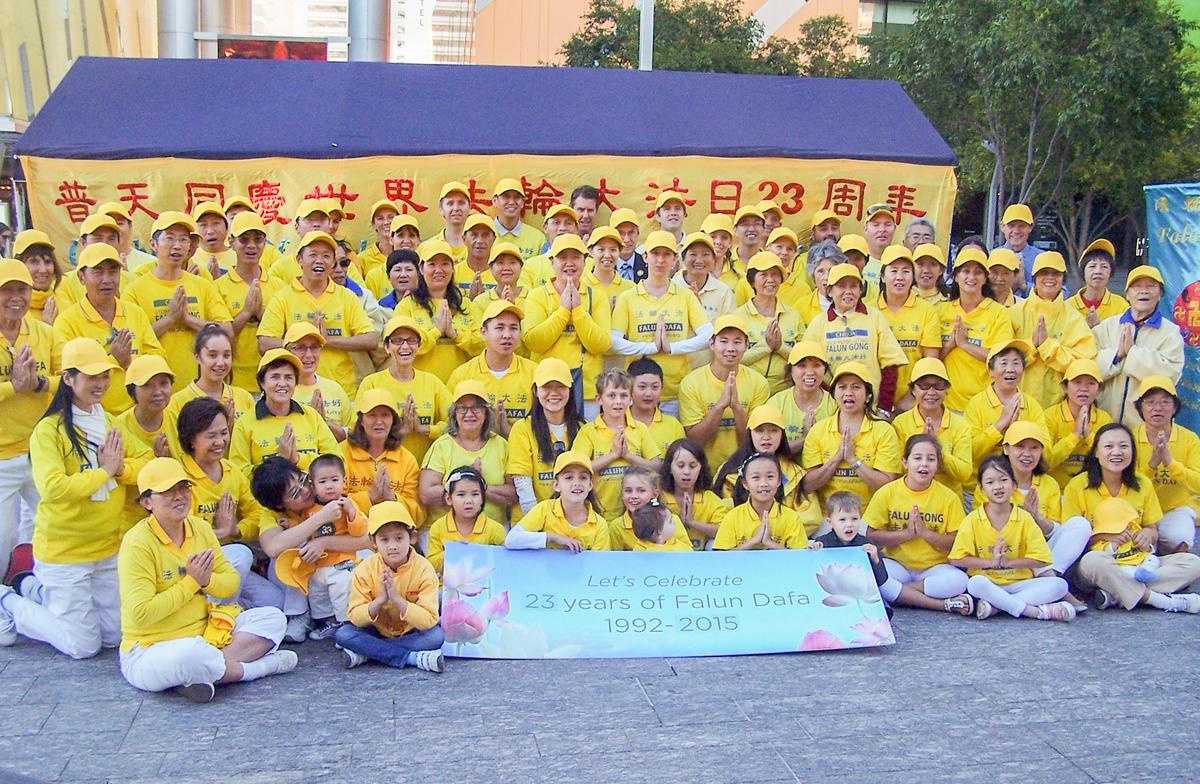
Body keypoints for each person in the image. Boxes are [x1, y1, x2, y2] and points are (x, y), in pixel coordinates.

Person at [0, 338, 148, 658]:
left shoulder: (108, 422)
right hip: (65, 554)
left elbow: (146, 461)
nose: (100, 384)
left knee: (114, 637)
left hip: (105, 550)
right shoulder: (48, 431)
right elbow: (53, 488)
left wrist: (119, 468)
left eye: (104, 376)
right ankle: (8, 600)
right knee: (83, 647)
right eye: (91, 377)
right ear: (68, 379)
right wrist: (103, 473)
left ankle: (33, 588)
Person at [115, 458, 295, 702]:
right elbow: (141, 613)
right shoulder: (137, 543)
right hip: (150, 648)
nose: (179, 496)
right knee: (191, 655)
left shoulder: (199, 528)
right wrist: (191, 583)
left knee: (273, 618)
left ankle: (198, 676)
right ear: (147, 502)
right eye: (167, 492)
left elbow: (230, 582)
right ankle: (255, 670)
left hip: (207, 635)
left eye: (183, 488)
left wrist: (207, 581)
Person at [1064, 423, 1200, 611]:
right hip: (1100, 562)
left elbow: (1152, 528)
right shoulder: (1078, 485)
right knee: (1093, 562)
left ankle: (1115, 593)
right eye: (1109, 446)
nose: (1117, 452)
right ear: (1095, 452)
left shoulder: (1142, 483)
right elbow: (1070, 540)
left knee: (1193, 563)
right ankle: (1158, 599)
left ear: (1133, 452)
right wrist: (1105, 537)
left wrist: (1148, 533)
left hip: (1139, 561)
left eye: (1124, 446)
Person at [175, 397, 283, 609]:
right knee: (242, 555)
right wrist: (219, 533)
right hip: (189, 565)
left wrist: (235, 531)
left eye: (224, 433)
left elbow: (259, 514)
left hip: (226, 563)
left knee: (273, 600)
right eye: (211, 436)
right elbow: (176, 532)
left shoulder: (232, 472)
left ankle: (217, 609)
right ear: (191, 440)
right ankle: (216, 619)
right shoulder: (178, 474)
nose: (220, 442)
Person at [950, 456, 1075, 621]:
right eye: (990, 482)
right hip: (988, 583)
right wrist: (990, 563)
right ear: (980, 489)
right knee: (975, 583)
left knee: (1059, 586)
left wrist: (1008, 563)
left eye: (1003, 480)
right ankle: (1036, 612)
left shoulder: (1024, 518)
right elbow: (956, 559)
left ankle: (997, 607)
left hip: (1020, 583)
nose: (998, 487)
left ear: (1014, 485)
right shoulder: (972, 520)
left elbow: (1042, 560)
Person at [260, 453, 367, 642]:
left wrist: (323, 542)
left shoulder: (333, 496)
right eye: (294, 493)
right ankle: (301, 615)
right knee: (290, 545)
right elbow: (273, 548)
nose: (305, 490)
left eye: (303, 480)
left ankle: (350, 623)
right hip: (309, 574)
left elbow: (370, 538)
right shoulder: (273, 515)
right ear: (279, 505)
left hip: (342, 563)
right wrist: (321, 517)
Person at [257, 231, 377, 396]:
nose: (319, 260)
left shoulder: (347, 297)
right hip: (295, 393)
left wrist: (328, 341)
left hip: (341, 392)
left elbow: (370, 340)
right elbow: (264, 343)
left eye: (326, 256)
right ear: (299, 260)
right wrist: (302, 344)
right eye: (312, 254)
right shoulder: (283, 297)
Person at [123, 212, 232, 393]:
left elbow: (226, 331)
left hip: (198, 388)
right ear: (153, 244)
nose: (177, 246)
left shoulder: (202, 285)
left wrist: (188, 320)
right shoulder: (135, 290)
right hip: (154, 390)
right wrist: (170, 319)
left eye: (183, 240)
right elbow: (132, 342)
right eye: (170, 238)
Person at [0, 260, 61, 582]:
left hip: (39, 452)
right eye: (6, 290)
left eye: (21, 290)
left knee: (57, 530)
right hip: (2, 458)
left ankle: (42, 590)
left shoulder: (45, 333)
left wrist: (38, 383)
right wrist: (13, 387)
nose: (15, 297)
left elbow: (68, 378)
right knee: (2, 541)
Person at [864, 435, 971, 615]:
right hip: (898, 564)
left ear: (937, 465)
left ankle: (901, 593)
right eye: (917, 458)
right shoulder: (887, 493)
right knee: (871, 575)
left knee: (960, 581)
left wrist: (925, 533)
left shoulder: (949, 497)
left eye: (931, 459)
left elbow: (956, 542)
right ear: (905, 462)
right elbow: (871, 536)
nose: (924, 464)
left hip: (934, 568)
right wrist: (906, 534)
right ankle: (941, 604)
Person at [611, 230, 713, 416]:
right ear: (645, 257)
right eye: (655, 254)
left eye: (666, 254)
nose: (660, 260)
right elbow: (614, 341)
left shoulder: (685, 295)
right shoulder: (628, 297)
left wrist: (672, 347)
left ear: (674, 260)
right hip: (636, 392)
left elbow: (709, 336)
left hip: (676, 392)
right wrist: (650, 348)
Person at [335, 501, 445, 672]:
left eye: (399, 538)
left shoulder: (424, 568)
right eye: (384, 539)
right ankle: (411, 658)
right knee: (343, 634)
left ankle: (368, 652)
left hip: (411, 631)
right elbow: (355, 616)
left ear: (412, 537)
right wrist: (379, 601)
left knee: (435, 637)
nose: (392, 546)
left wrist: (397, 600)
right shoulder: (364, 569)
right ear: (373, 542)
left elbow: (429, 619)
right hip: (377, 630)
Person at [54, 243, 162, 414]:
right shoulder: (67, 322)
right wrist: (114, 360)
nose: (107, 279)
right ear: (81, 277)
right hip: (94, 418)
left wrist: (130, 362)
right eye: (97, 272)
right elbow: (67, 378)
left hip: (137, 415)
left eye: (113, 271)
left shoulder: (135, 313)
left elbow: (157, 359)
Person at [521, 233, 612, 416]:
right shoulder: (537, 296)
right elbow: (533, 342)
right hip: (547, 389)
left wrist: (577, 311)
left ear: (585, 262)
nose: (569, 263)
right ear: (551, 262)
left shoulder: (597, 297)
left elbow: (601, 344)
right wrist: (563, 311)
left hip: (586, 390)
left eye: (576, 257)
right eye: (562, 257)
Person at [802, 263, 907, 414]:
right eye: (841, 286)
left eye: (853, 286)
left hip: (871, 407)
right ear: (830, 291)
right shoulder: (818, 323)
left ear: (860, 290)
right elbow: (810, 368)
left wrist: (884, 407)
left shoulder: (874, 317)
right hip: (833, 408)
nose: (848, 292)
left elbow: (890, 364)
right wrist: (831, 399)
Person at [802, 362, 901, 509]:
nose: (848, 392)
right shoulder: (818, 430)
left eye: (856, 387)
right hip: (828, 517)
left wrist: (852, 460)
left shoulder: (884, 431)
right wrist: (836, 459)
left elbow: (887, 484)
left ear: (868, 396)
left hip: (869, 516)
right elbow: (808, 485)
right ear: (834, 394)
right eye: (842, 387)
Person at [1094, 265, 1184, 427]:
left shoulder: (1171, 333)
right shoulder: (1108, 326)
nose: (1144, 291)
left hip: (1146, 427)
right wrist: (1118, 355)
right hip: (1105, 422)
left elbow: (1169, 374)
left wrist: (1132, 352)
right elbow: (1090, 367)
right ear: (1127, 294)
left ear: (1160, 294)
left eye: (1151, 286)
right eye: (1137, 287)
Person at [679, 315, 770, 471]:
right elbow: (694, 440)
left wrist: (736, 408)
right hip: (704, 470)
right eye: (724, 341)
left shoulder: (758, 382)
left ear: (747, 346)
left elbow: (756, 441)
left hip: (745, 470)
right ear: (712, 344)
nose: (730, 348)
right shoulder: (692, 383)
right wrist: (719, 407)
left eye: (737, 342)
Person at [357, 315, 452, 465]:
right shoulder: (372, 383)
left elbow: (454, 424)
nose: (405, 346)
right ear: (387, 347)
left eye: (411, 340)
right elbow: (358, 432)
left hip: (426, 468)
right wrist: (401, 432)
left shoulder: (432, 382)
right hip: (384, 467)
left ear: (419, 346)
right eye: (397, 341)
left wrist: (425, 429)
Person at [419, 380, 514, 525]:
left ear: (486, 413)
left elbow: (514, 494)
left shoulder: (501, 445)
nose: (469, 414)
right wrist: (466, 483)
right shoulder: (441, 446)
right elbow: (426, 494)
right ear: (454, 414)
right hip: (446, 532)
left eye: (476, 408)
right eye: (462, 408)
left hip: (492, 531)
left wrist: (479, 486)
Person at [1009, 251, 1097, 407]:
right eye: (1044, 273)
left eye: (1055, 273)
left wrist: (1047, 346)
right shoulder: (1013, 313)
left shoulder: (1074, 318)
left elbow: (1083, 363)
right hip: (1016, 404)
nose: (1050, 278)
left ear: (1063, 278)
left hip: (1057, 409)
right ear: (1034, 278)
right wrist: (1031, 346)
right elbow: (1000, 359)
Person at [229, 349, 339, 473]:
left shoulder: (312, 416)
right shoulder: (244, 424)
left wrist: (298, 459)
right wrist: (279, 461)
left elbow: (337, 461)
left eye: (288, 377)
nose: (282, 383)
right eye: (275, 377)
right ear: (262, 383)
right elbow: (239, 473)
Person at [574, 369, 661, 519]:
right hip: (599, 514)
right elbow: (578, 469)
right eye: (611, 396)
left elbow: (657, 466)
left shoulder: (639, 429)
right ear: (599, 399)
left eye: (623, 396)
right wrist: (613, 455)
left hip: (638, 514)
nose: (618, 401)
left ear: (631, 399)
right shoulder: (588, 431)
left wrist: (628, 456)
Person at [938, 246, 1014, 412]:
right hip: (946, 405)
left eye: (978, 272)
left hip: (984, 407)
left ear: (985, 278)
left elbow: (1001, 359)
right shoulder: (940, 311)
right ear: (956, 276)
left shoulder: (998, 313)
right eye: (965, 271)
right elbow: (930, 358)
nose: (971, 277)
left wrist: (965, 345)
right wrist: (951, 344)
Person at [447, 300, 537, 437]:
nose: (507, 335)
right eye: (499, 328)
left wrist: (510, 432)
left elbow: (543, 425)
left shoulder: (534, 373)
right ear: (483, 332)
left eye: (513, 328)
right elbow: (450, 424)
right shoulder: (463, 375)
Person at [215, 212, 282, 392]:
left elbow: (288, 337)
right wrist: (245, 313)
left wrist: (260, 315)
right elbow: (217, 339)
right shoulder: (218, 287)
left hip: (272, 381)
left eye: (258, 239)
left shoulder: (280, 287)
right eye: (244, 239)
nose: (251, 246)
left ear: (265, 243)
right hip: (232, 381)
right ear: (231, 242)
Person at [1132, 376, 1200, 553]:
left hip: (1174, 509)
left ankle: (1180, 575)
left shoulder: (1190, 439)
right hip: (1139, 511)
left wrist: (1170, 463)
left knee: (1181, 538)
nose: (1158, 408)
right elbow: (1128, 484)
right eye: (1150, 402)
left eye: (1165, 402)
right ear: (1140, 407)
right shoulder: (1129, 438)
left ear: (1175, 407)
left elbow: (1198, 484)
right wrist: (1152, 465)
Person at [507, 358, 583, 516]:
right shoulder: (522, 428)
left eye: (561, 386)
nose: (554, 393)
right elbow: (522, 483)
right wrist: (541, 522)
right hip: (531, 522)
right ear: (535, 391)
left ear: (570, 389)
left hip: (572, 521)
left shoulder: (582, 428)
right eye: (546, 387)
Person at [340, 389, 423, 530]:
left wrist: (392, 498)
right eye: (372, 415)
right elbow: (332, 503)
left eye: (385, 415)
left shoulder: (407, 459)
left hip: (394, 536)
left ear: (393, 420)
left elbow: (418, 516)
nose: (379, 422)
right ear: (361, 420)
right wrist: (369, 497)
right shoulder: (342, 453)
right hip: (351, 535)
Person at [504, 451, 612, 551]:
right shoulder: (545, 509)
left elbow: (599, 565)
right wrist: (552, 537)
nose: (576, 483)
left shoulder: (599, 524)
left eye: (583, 477)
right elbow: (511, 539)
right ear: (556, 485)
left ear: (590, 485)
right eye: (569, 477)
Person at [114, 355, 175, 531]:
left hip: (170, 519)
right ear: (132, 392)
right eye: (147, 385)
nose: (157, 392)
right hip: (128, 522)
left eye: (164, 383)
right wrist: (156, 464)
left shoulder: (179, 421)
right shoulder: (117, 427)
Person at [877, 245, 942, 407]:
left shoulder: (927, 311)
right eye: (893, 271)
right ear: (883, 276)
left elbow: (930, 361)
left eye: (905, 271)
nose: (899, 277)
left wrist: (910, 399)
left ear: (913, 276)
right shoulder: (869, 310)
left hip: (913, 402)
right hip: (874, 401)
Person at [963, 339, 1048, 464]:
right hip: (985, 480)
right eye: (1004, 363)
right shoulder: (976, 404)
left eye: (1016, 363)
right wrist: (1000, 425)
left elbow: (1047, 453)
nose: (1010, 369)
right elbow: (969, 452)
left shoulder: (1032, 405)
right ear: (990, 371)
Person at [736, 252, 804, 393]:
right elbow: (732, 359)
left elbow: (804, 359)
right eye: (763, 275)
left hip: (786, 392)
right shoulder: (738, 317)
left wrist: (780, 347)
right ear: (752, 281)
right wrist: (766, 346)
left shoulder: (793, 315)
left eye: (775, 274)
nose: (770, 280)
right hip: (747, 391)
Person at [713, 452, 808, 550]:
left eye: (770, 476)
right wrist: (753, 541)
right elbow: (722, 558)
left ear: (779, 481)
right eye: (756, 477)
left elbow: (799, 558)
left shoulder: (791, 517)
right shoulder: (732, 517)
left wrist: (769, 543)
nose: (763, 483)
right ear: (745, 483)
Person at [1044, 359, 1112, 488]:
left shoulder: (1104, 419)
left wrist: (1089, 435)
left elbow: (1110, 462)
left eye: (1091, 383)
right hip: (1057, 490)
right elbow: (1044, 462)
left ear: (1099, 389)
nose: (1084, 389)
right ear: (1065, 387)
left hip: (1091, 490)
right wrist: (1074, 436)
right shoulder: (1050, 416)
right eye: (1077, 382)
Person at [426, 467, 506, 573]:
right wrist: (453, 552)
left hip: (485, 585)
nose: (468, 501)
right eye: (461, 495)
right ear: (449, 499)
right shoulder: (438, 527)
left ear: (482, 498)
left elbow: (504, 562)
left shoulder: (495, 529)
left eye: (475, 494)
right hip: (448, 586)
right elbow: (431, 564)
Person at [285, 322, 353, 442]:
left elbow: (348, 438)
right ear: (287, 351)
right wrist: (312, 419)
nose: (309, 355)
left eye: (315, 347)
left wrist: (323, 423)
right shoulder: (279, 390)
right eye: (300, 348)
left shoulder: (335, 389)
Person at [673, 232, 734, 364]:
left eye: (706, 255)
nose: (699, 260)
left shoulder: (723, 292)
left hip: (707, 370)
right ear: (683, 258)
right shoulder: (670, 288)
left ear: (714, 259)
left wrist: (698, 309)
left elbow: (727, 335)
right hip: (674, 368)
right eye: (693, 254)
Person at [767, 342, 837, 455]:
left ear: (825, 370)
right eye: (801, 366)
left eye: (816, 365)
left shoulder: (835, 404)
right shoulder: (776, 404)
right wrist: (805, 438)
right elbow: (768, 452)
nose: (810, 372)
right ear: (790, 370)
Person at [812, 492, 889, 592]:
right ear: (830, 522)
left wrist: (875, 560)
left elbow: (882, 581)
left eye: (854, 519)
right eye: (842, 520)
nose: (849, 524)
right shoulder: (822, 543)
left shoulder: (866, 544)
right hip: (832, 592)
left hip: (860, 592)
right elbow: (813, 575)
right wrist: (814, 551)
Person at [660, 438, 728, 551]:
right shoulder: (659, 498)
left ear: (701, 468)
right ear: (670, 468)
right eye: (680, 465)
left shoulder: (709, 498)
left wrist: (692, 523)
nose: (686, 472)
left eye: (692, 466)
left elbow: (725, 531)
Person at [609, 466, 693, 550]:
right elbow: (615, 559)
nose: (633, 496)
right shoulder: (616, 527)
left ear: (655, 494)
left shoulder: (671, 520)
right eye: (628, 491)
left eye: (641, 490)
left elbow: (687, 554)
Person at [628, 358, 686, 455]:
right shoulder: (617, 422)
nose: (648, 394)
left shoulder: (673, 425)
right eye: (642, 387)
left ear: (662, 388)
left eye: (655, 387)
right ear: (629, 387)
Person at [1067, 239, 1128, 327]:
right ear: (1083, 271)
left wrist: (1099, 327)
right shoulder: (1068, 306)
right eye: (1092, 266)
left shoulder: (1121, 306)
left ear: (1111, 272)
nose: (1098, 271)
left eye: (1104, 266)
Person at [14, 229, 63, 324]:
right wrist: (45, 328)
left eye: (48, 261)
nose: (43, 270)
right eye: (34, 262)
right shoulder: (8, 309)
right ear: (18, 264)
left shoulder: (65, 302)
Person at [366, 216, 421, 300]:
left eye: (412, 235)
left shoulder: (426, 272)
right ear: (391, 239)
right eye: (400, 235)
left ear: (418, 240)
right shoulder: (373, 276)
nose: (406, 241)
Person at [491, 178, 546, 260]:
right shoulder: (484, 235)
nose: (512, 202)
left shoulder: (538, 238)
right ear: (494, 200)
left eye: (517, 197)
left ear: (523, 202)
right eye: (506, 197)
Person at [585, 226, 635, 313]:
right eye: (601, 249)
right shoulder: (582, 286)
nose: (607, 255)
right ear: (590, 251)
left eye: (613, 250)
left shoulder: (631, 288)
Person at [423, 181, 471, 260]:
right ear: (441, 209)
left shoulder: (480, 246)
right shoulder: (427, 246)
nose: (456, 208)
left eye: (461, 203)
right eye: (450, 203)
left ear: (469, 208)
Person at [455, 213, 499, 298]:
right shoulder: (453, 273)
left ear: (494, 239)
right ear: (464, 239)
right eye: (474, 235)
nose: (479, 240)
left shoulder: (501, 273)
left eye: (485, 235)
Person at [998, 203, 1039, 295]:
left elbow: (1062, 294)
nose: (1016, 231)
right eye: (1011, 225)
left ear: (1030, 227)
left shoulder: (1042, 258)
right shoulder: (990, 257)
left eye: (1022, 226)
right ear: (1002, 226)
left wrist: (1025, 286)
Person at [798, 240, 843, 322]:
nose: (826, 277)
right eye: (820, 271)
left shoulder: (852, 303)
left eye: (831, 270)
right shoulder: (801, 307)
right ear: (812, 275)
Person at [356, 199, 401, 278]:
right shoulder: (362, 259)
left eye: (391, 217)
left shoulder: (409, 254)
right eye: (380, 218)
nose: (386, 222)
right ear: (373, 224)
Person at [191, 202, 234, 276]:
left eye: (216, 223)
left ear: (227, 228)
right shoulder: (189, 259)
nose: (210, 231)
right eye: (203, 225)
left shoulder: (240, 257)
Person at [862, 204, 898, 285]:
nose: (882, 230)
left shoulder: (901, 263)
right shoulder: (858, 261)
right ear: (865, 228)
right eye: (876, 225)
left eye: (887, 225)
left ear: (895, 228)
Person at [701, 213, 738, 289]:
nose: (718, 242)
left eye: (724, 238)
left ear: (730, 243)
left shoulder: (739, 276)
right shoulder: (688, 274)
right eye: (713, 236)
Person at [611, 208, 646, 283]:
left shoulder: (648, 266)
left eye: (631, 232)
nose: (626, 239)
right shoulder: (601, 267)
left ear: (638, 234)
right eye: (621, 233)